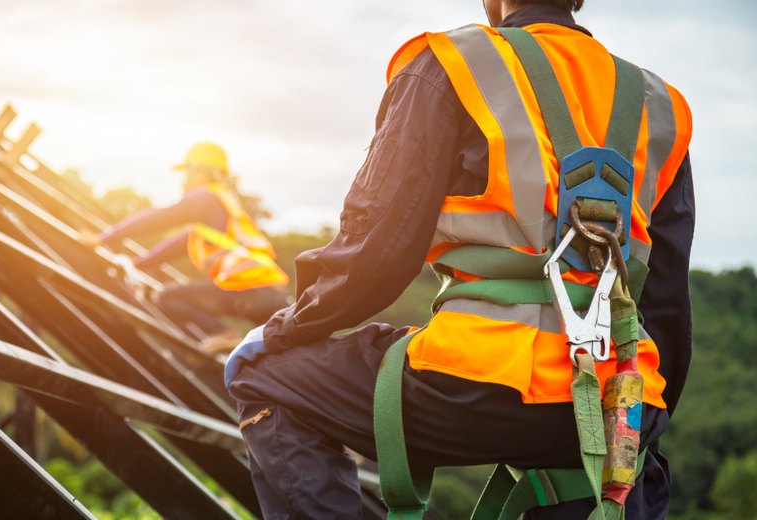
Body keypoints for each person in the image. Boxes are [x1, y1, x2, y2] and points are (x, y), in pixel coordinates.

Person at [226, 0, 693, 518]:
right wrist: (643, 415)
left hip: (483, 383)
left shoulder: (451, 63)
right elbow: (668, 301)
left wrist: (282, 331)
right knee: (621, 470)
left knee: (267, 379)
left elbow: (376, 251)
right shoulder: (661, 104)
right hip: (621, 400)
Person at [98, 142, 290, 338]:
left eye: (186, 172)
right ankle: (223, 341)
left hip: (247, 289)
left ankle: (223, 335)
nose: (183, 181)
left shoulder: (206, 197)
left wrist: (103, 238)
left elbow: (159, 218)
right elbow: (170, 248)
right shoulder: (219, 213)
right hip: (272, 295)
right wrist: (135, 265)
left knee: (168, 297)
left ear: (201, 171)